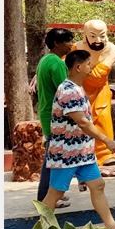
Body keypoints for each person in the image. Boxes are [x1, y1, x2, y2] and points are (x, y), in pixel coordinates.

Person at [42, 50, 115, 229]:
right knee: (55, 193)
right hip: (66, 154)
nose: (91, 67)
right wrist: (106, 140)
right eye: (88, 64)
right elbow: (82, 122)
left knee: (98, 185)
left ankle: (112, 226)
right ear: (78, 67)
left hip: (82, 153)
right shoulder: (68, 90)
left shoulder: (76, 87)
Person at [36, 28, 75, 206]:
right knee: (53, 160)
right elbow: (65, 92)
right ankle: (46, 197)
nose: (71, 44)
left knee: (54, 157)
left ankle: (53, 194)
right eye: (68, 41)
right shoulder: (58, 64)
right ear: (58, 43)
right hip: (57, 117)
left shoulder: (45, 60)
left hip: (47, 113)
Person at [74, 19, 115, 165]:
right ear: (85, 34)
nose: (98, 40)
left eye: (102, 35)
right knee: (79, 121)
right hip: (80, 89)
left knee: (102, 118)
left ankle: (104, 154)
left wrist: (83, 70)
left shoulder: (111, 49)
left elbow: (100, 75)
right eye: (93, 36)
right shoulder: (77, 47)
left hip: (100, 89)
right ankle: (80, 155)